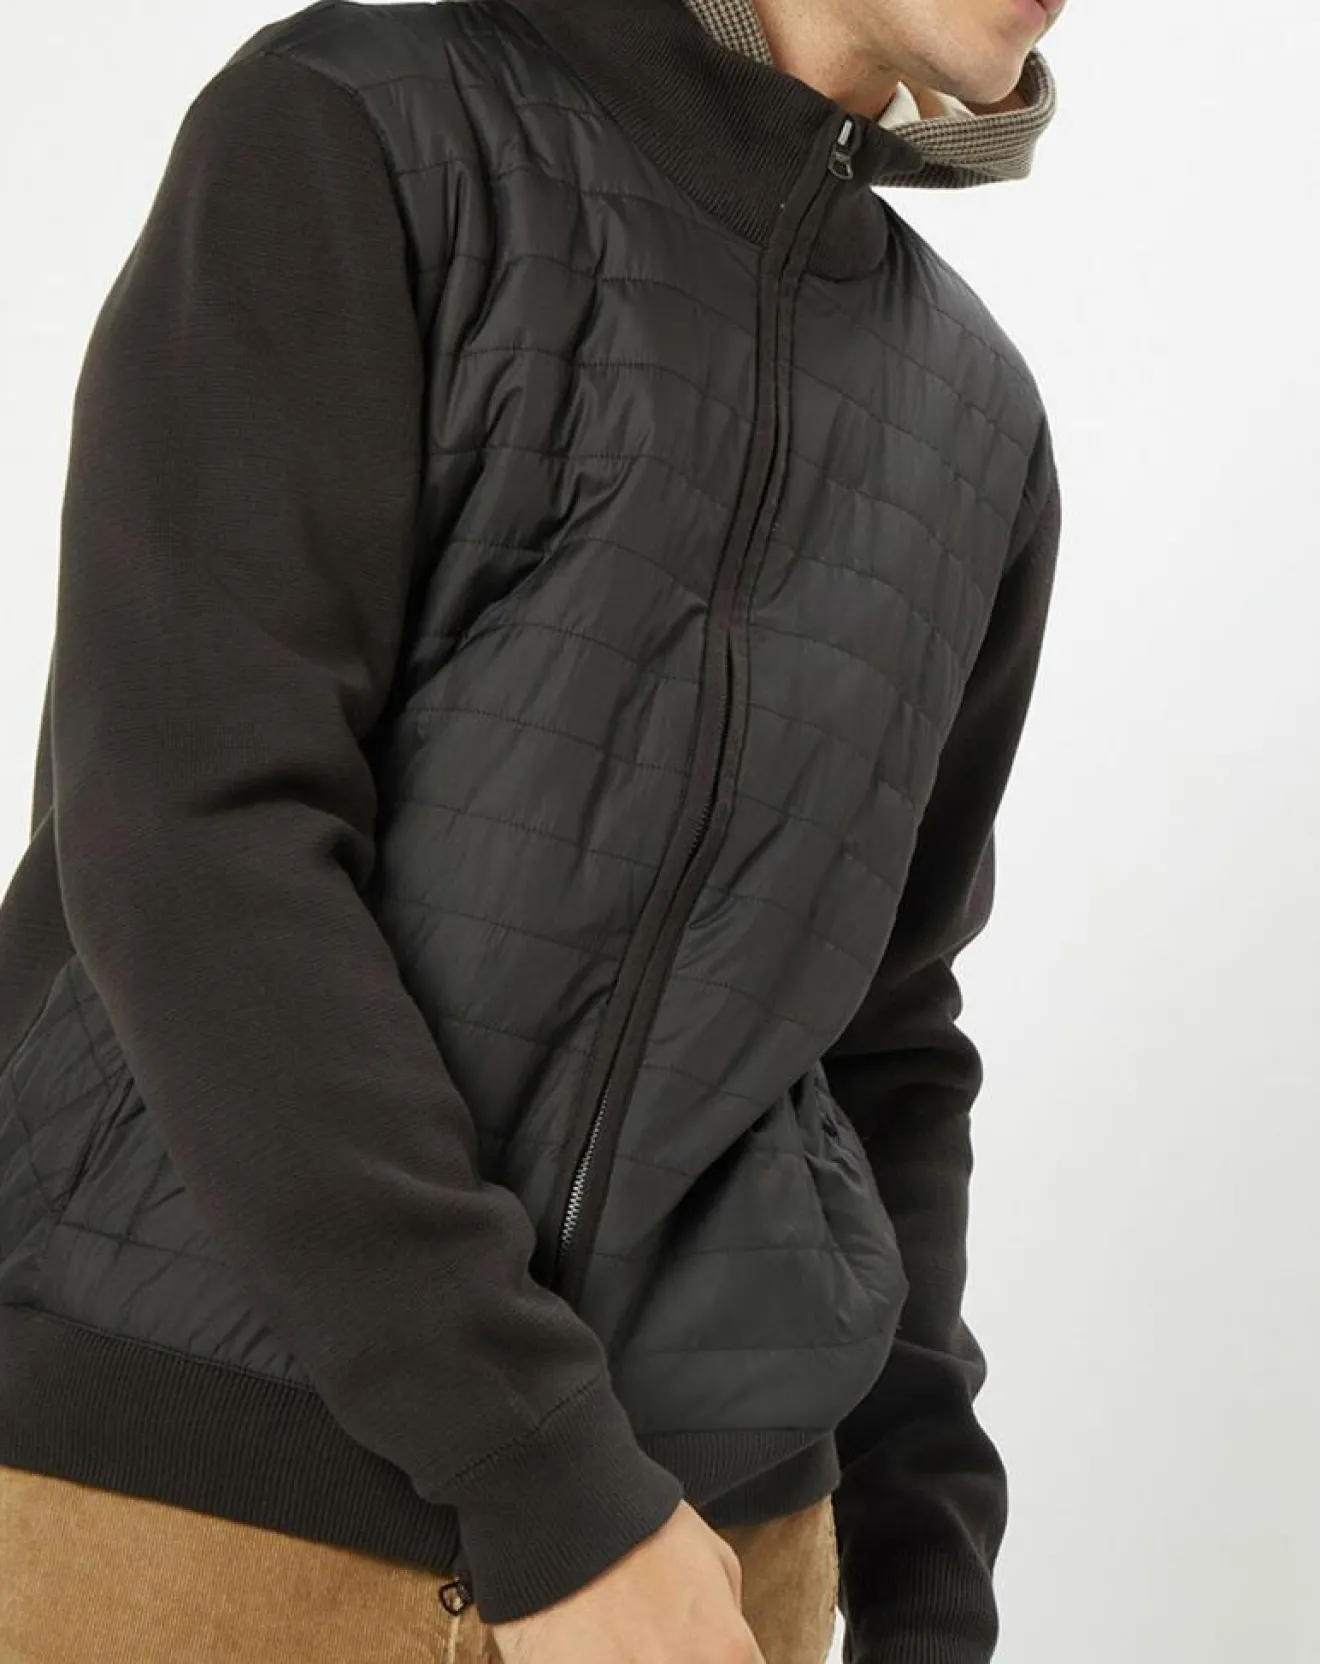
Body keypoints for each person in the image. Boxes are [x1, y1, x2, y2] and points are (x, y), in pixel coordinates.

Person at [0, 0, 1065, 1659]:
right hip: (203, 1512)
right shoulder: (364, 128)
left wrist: (926, 1574)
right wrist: (549, 1480)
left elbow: (884, 1033)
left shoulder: (975, 412)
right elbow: (196, 842)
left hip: (719, 1573)